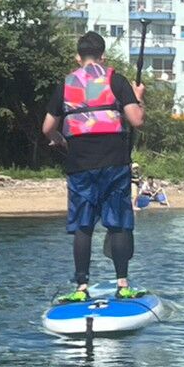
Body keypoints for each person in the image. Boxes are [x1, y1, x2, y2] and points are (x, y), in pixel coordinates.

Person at [42, 31, 145, 302]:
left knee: (83, 226)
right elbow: (136, 120)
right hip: (114, 161)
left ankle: (81, 288)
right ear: (103, 56)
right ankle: (122, 284)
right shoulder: (115, 80)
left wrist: (60, 141)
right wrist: (137, 97)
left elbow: (47, 128)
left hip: (80, 163)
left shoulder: (66, 84)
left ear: (78, 57)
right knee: (119, 224)